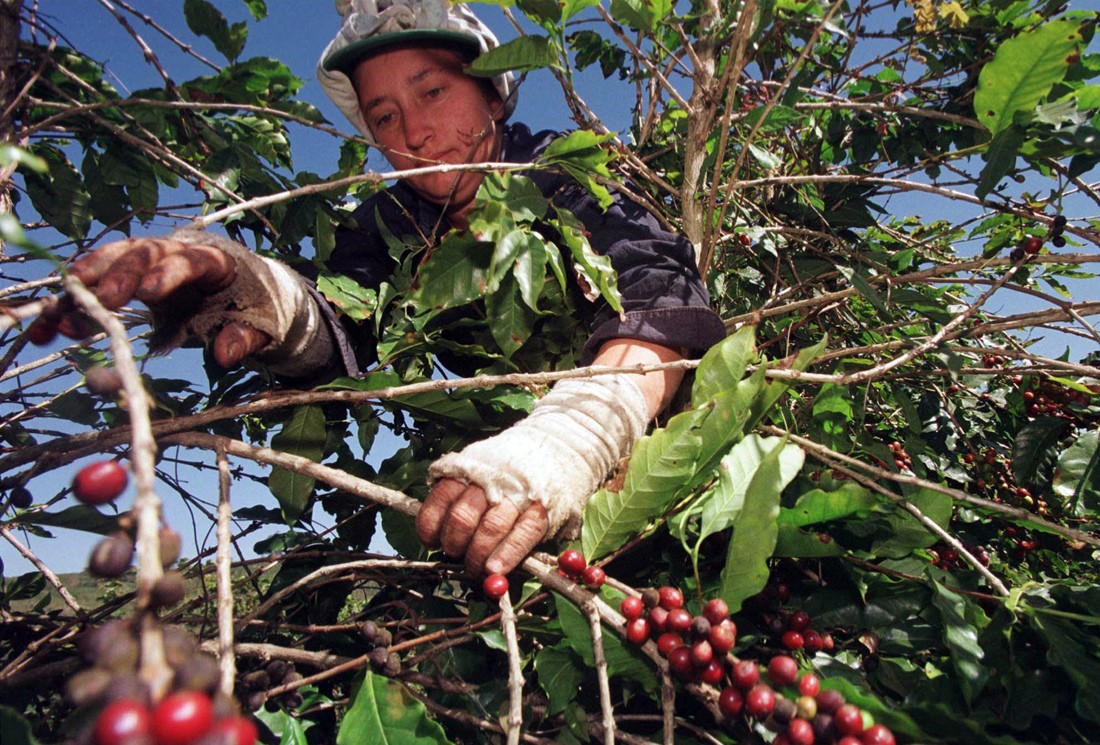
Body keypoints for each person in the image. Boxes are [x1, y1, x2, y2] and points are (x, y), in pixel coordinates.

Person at [61, 0, 726, 576]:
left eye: (432, 93)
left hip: (662, 467)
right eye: (384, 116)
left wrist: (572, 438)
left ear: (492, 92)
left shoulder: (564, 174)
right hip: (505, 489)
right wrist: (256, 290)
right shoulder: (388, 225)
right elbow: (340, 325)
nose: (412, 134)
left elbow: (663, 296)